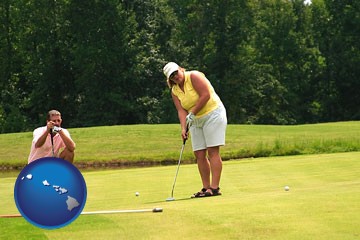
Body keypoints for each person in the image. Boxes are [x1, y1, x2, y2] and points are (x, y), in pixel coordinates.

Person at [163, 62, 227, 197]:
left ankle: (214, 188)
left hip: (213, 114)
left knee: (213, 151)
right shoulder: (174, 91)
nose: (175, 77)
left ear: (181, 69)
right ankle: (206, 187)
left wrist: (192, 113)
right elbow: (181, 110)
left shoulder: (194, 76)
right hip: (195, 120)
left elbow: (205, 95)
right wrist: (183, 128)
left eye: (176, 73)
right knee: (199, 153)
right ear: (169, 79)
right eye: (171, 76)